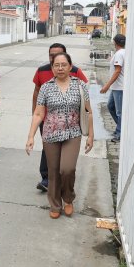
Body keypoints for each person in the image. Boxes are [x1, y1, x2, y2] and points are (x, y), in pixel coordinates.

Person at [26, 52, 94, 219]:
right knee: (54, 171)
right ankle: (55, 204)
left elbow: (88, 112)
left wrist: (91, 136)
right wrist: (31, 136)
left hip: (73, 133)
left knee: (67, 169)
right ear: (52, 68)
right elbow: (38, 113)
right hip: (51, 134)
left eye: (64, 65)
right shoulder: (46, 87)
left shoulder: (80, 85)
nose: (60, 68)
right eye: (57, 65)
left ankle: (68, 198)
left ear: (70, 67)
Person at [31, 43, 88, 192]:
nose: (55, 59)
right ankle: (46, 179)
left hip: (72, 124)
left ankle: (66, 190)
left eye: (59, 55)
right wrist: (35, 116)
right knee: (48, 152)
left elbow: (86, 98)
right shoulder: (42, 71)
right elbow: (36, 92)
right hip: (48, 119)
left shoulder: (75, 72)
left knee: (66, 165)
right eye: (51, 55)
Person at [100, 34, 126, 142]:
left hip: (119, 87)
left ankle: (120, 133)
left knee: (119, 112)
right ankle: (121, 128)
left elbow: (117, 71)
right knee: (110, 106)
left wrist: (107, 85)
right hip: (117, 87)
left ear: (115, 42)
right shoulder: (121, 52)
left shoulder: (120, 54)